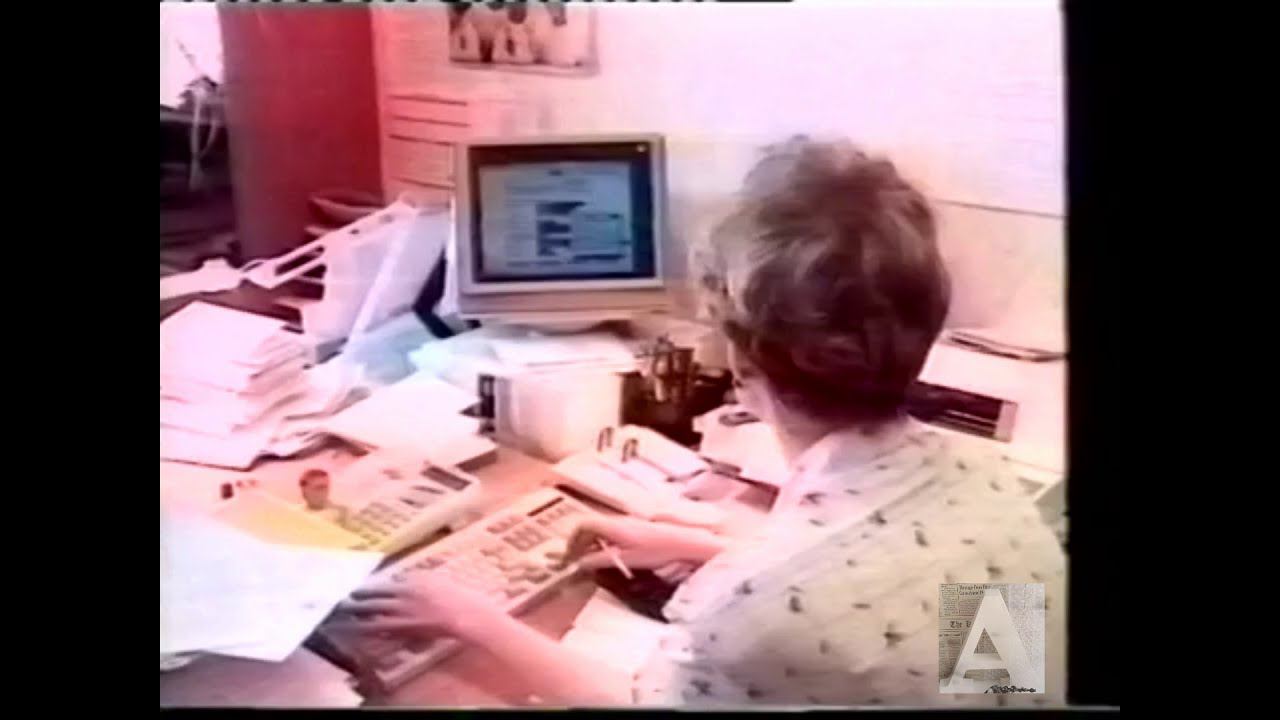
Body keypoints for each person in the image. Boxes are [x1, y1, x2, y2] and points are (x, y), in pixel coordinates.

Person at [331, 138, 1066, 708]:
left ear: (739, 359)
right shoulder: (991, 492)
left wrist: (469, 618)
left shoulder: (743, 612)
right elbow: (980, 668)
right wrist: (697, 543)